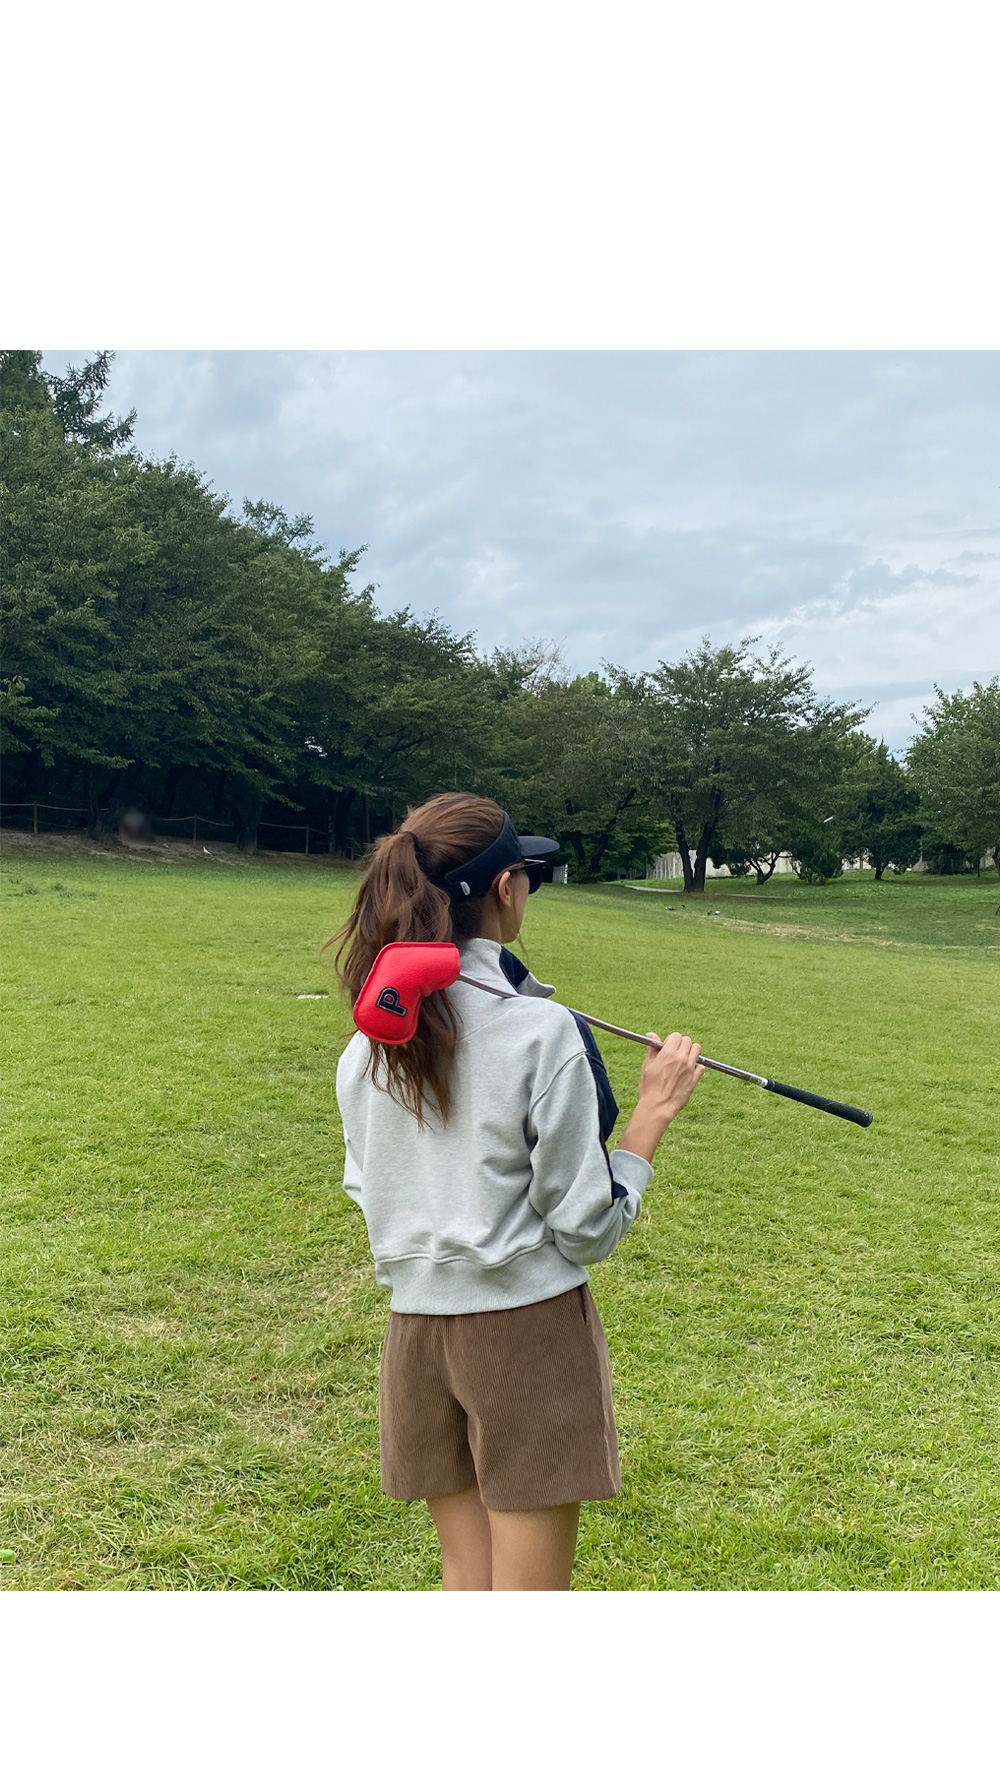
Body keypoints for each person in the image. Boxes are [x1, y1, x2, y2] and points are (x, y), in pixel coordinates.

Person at [330, 792, 704, 1591]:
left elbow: (368, 1188)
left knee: (468, 1579)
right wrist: (651, 1115)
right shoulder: (541, 1031)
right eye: (527, 874)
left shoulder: (366, 1047)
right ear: (506, 887)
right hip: (524, 1336)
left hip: (415, 1337)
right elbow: (587, 1228)